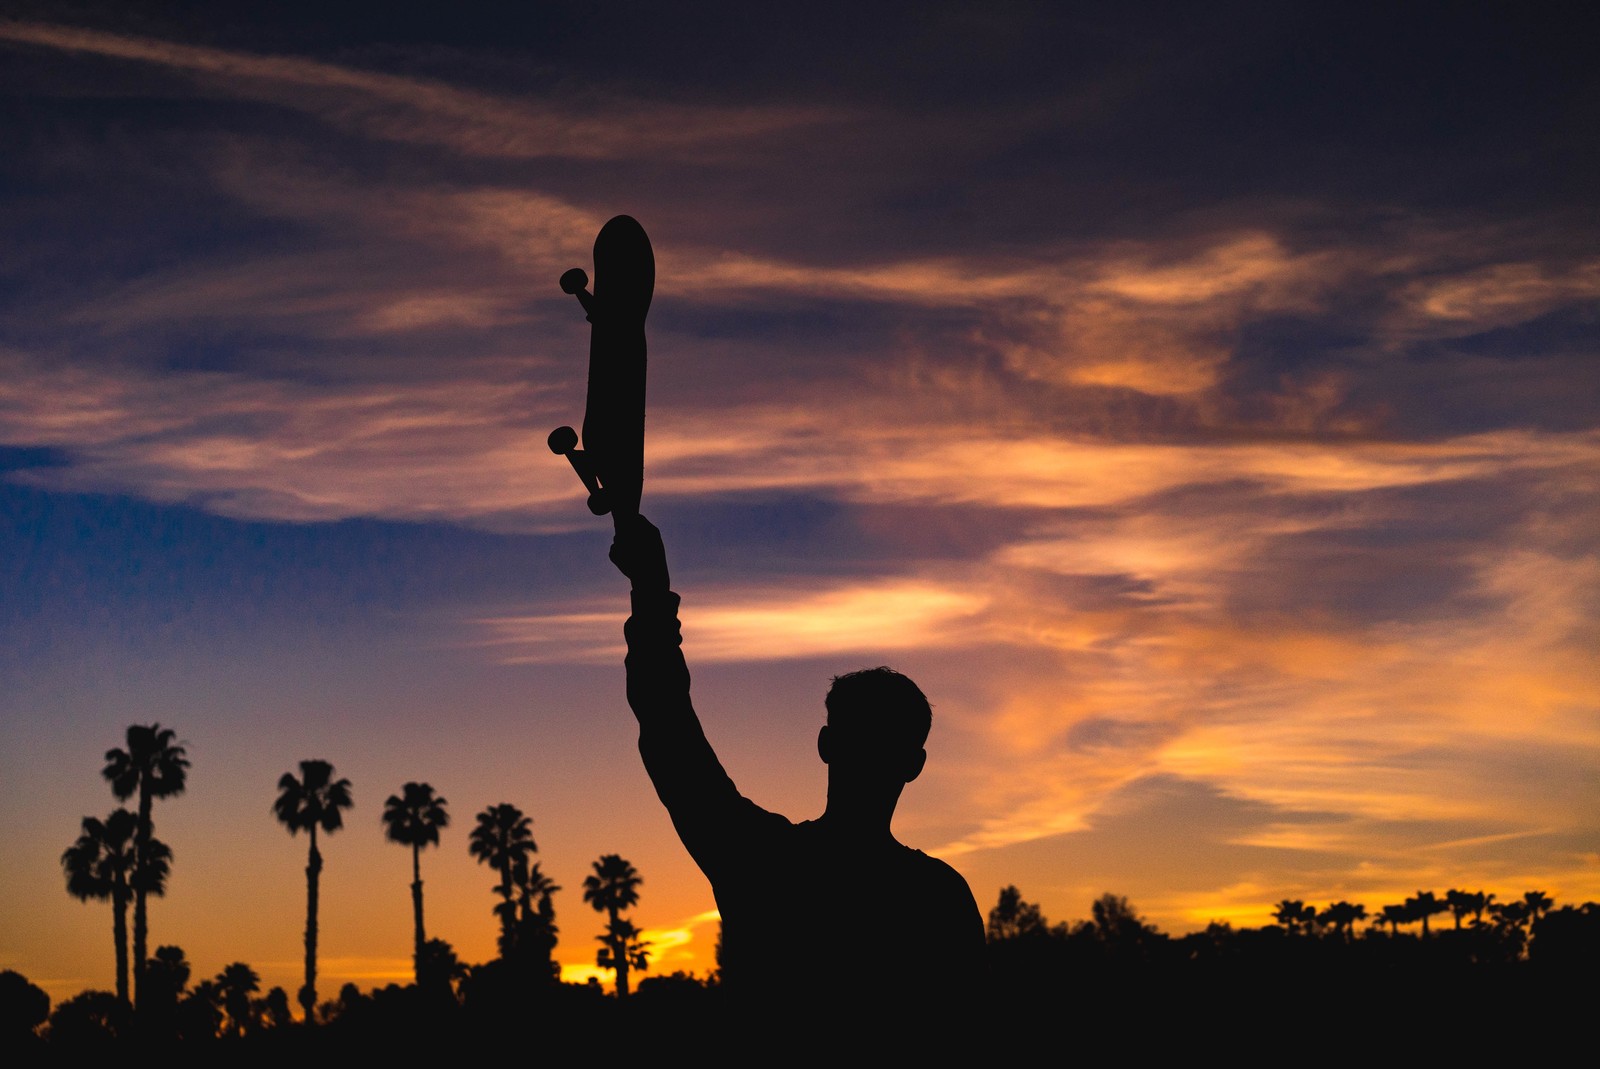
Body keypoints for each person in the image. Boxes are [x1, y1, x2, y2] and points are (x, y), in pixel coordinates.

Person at [609, 513, 985, 1025]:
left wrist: (652, 588)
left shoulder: (763, 861)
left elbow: (668, 730)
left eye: (878, 739)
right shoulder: (939, 896)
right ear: (914, 765)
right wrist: (651, 589)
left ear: (826, 744)